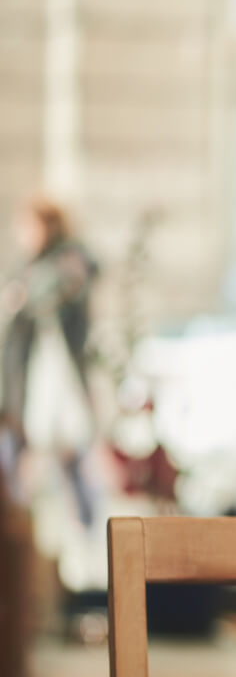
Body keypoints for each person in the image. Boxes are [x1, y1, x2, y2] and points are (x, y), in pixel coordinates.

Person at [0, 197, 99, 528]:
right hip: (23, 388)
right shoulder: (27, 268)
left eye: (27, 226)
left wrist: (25, 293)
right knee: (27, 465)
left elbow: (78, 278)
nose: (22, 234)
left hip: (54, 386)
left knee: (67, 464)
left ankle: (85, 543)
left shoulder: (66, 263)